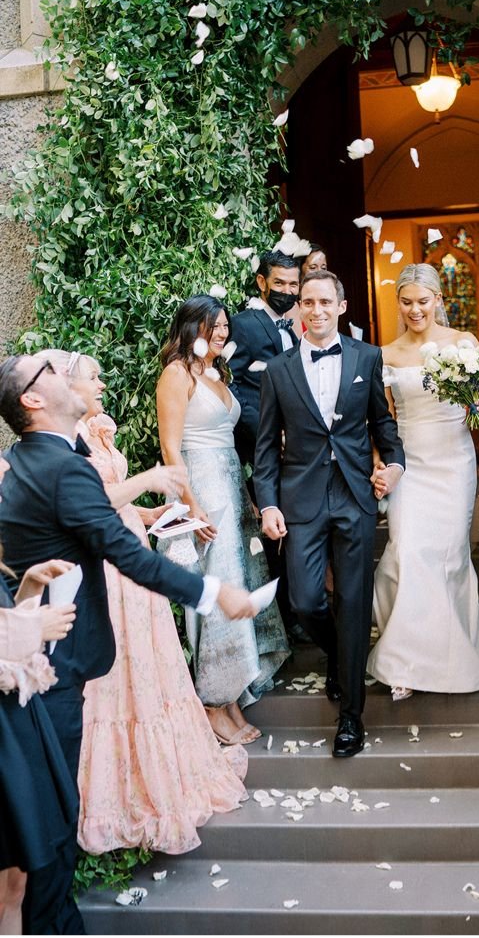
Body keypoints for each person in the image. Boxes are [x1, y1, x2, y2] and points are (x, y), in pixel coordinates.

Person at [0, 353, 256, 933]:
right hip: (50, 665)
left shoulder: (37, 461)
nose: (67, 374)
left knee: (48, 816)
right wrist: (216, 594)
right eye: (52, 372)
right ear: (34, 402)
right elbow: (126, 552)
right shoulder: (60, 468)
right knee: (56, 819)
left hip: (37, 658)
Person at [254, 269, 405, 758]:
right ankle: (342, 657)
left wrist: (395, 467)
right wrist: (270, 502)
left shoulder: (367, 356)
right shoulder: (278, 370)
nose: (315, 310)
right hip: (301, 500)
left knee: (356, 601)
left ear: (341, 307)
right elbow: (265, 451)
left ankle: (351, 719)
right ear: (298, 308)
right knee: (304, 600)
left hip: (355, 496)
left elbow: (383, 426)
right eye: (307, 302)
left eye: (325, 302)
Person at [367, 264, 479, 701]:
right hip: (409, 462)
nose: (415, 309)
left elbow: (478, 410)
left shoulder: (462, 344)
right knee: (407, 551)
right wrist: (382, 464)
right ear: (398, 303)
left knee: (449, 557)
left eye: (423, 300)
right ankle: (405, 661)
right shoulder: (386, 353)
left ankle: (447, 652)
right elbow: (384, 421)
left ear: (439, 300)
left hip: (453, 461)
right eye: (407, 301)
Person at [156, 296, 290, 745]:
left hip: (232, 488)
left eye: (225, 326)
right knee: (216, 590)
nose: (221, 333)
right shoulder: (175, 375)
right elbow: (172, 449)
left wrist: (249, 496)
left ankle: (233, 697)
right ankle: (214, 702)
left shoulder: (215, 373)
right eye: (213, 325)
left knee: (241, 584)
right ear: (191, 327)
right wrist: (192, 506)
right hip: (204, 491)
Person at [0, 453, 79, 938]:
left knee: (14, 880)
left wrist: (27, 590)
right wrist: (35, 626)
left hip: (12, 725)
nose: (8, 476)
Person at [228, 251, 303, 640]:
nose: (288, 292)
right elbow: (234, 384)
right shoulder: (244, 324)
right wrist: (269, 431)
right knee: (274, 536)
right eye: (280, 285)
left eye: (294, 285)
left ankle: (294, 612)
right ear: (261, 282)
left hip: (294, 450)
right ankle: (284, 620)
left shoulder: (289, 326)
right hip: (263, 449)